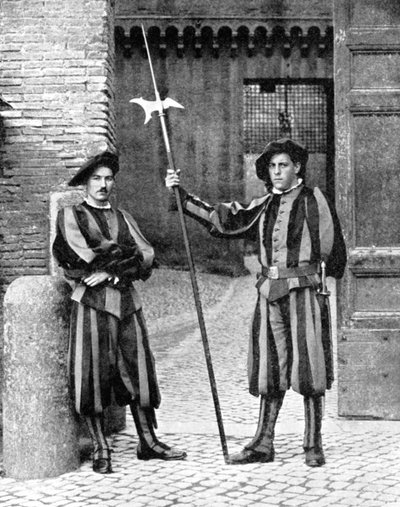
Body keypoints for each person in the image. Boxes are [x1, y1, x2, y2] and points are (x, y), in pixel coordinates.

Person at [165, 138, 346, 467]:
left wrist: (318, 277)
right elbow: (226, 220)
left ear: (297, 168)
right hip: (268, 294)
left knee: (309, 368)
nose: (277, 172)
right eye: (273, 167)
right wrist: (182, 197)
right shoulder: (262, 205)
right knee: (269, 368)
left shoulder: (314, 199)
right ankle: (263, 443)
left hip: (304, 294)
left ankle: (313, 443)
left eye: (284, 166)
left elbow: (335, 252)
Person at [53, 150, 187, 474]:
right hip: (92, 304)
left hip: (127, 301)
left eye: (108, 178)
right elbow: (78, 256)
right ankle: (101, 446)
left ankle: (148, 441)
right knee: (93, 372)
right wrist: (120, 258)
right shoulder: (71, 215)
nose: (103, 184)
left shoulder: (124, 218)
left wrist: (114, 272)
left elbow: (146, 255)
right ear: (86, 183)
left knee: (139, 367)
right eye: (96, 178)